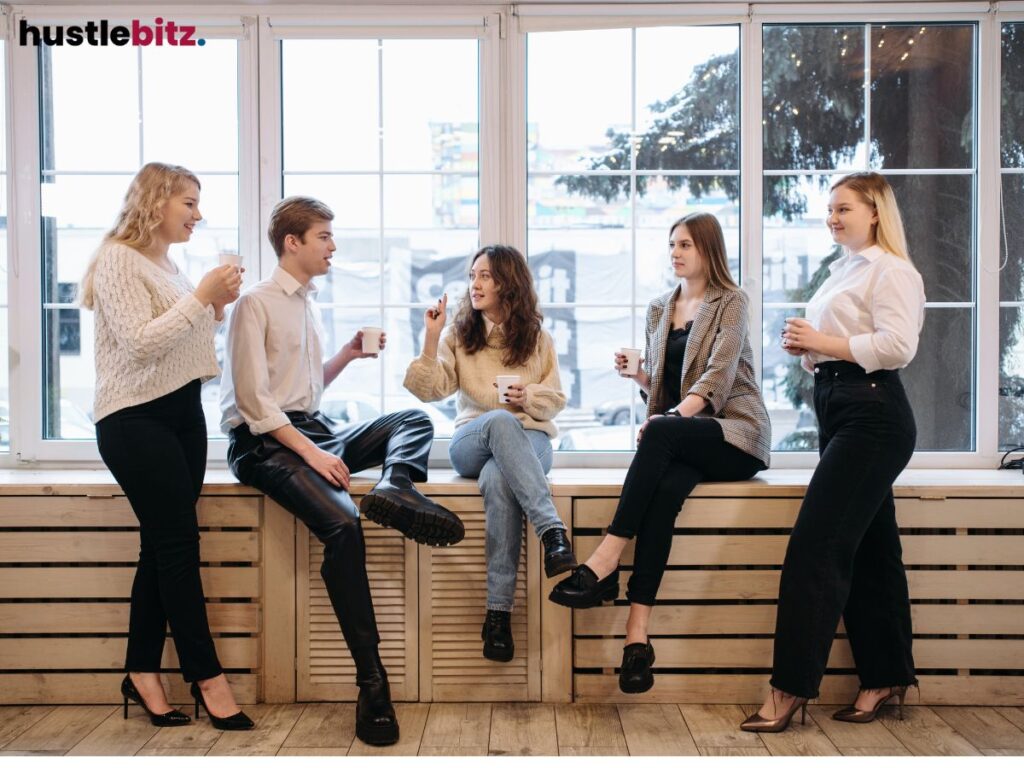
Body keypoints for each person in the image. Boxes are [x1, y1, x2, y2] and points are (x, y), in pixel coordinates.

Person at [220, 196, 465, 746]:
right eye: (324, 236)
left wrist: (347, 357)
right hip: (263, 444)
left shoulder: (307, 304)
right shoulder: (254, 304)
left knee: (412, 419)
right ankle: (372, 682)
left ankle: (396, 486)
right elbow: (257, 405)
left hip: (310, 427)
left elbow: (300, 391)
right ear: (293, 242)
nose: (333, 246)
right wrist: (314, 455)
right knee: (344, 526)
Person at [548, 212, 770, 695]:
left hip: (735, 434)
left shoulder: (730, 302)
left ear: (708, 249)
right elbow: (668, 393)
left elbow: (717, 378)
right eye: (672, 244)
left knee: (662, 437)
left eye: (686, 244)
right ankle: (637, 640)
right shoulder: (658, 308)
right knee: (665, 492)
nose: (676, 252)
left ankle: (605, 560)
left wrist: (668, 423)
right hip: (687, 435)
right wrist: (642, 380)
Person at [743, 171, 925, 733]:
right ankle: (885, 676)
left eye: (843, 208)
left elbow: (898, 347)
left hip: (874, 416)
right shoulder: (842, 270)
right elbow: (841, 346)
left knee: (816, 547)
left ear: (875, 212)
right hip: (841, 406)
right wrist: (809, 352)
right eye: (829, 210)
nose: (832, 217)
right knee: (871, 550)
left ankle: (789, 690)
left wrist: (821, 342)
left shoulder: (893, 271)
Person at [81, 162, 252, 730]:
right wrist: (201, 296)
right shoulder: (117, 260)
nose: (198, 215)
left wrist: (214, 304)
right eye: (190, 203)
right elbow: (139, 345)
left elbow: (183, 340)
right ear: (156, 202)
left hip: (181, 414)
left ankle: (142, 673)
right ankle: (208, 679)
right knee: (178, 547)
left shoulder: (169, 265)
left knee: (161, 549)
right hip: (134, 419)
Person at [404, 245, 575, 663]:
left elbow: (555, 400)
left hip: (530, 440)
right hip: (472, 442)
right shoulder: (459, 335)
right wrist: (430, 336)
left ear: (508, 283)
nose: (474, 285)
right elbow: (430, 390)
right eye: (472, 276)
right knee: (500, 421)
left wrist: (528, 394)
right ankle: (552, 531)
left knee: (500, 479)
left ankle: (497, 616)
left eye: (485, 276)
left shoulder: (537, 338)